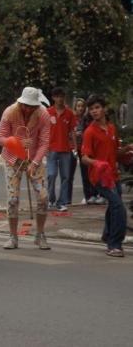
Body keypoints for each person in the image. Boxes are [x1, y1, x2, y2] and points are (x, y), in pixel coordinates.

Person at [0, 86, 51, 250]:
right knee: (13, 199)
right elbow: (0, 138)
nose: (27, 109)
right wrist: (16, 142)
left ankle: (40, 234)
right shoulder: (10, 112)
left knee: (43, 197)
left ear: (36, 106)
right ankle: (13, 236)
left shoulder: (43, 115)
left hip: (35, 158)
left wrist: (34, 163)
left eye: (31, 106)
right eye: (24, 105)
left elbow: (44, 142)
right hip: (13, 158)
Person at [81, 95, 127, 257]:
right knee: (118, 207)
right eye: (92, 109)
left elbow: (115, 152)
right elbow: (84, 157)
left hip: (114, 175)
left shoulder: (112, 128)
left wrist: (127, 150)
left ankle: (107, 235)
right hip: (99, 176)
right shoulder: (90, 132)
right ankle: (114, 244)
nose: (94, 111)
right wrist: (96, 163)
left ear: (104, 109)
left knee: (114, 206)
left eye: (97, 107)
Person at [46, 87, 76, 211]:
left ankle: (62, 202)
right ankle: (51, 199)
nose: (60, 99)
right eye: (57, 96)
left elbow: (72, 131)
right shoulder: (47, 112)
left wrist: (75, 147)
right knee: (51, 175)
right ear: (53, 98)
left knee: (65, 177)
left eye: (62, 96)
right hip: (51, 149)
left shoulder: (69, 113)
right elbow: (43, 130)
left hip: (65, 149)